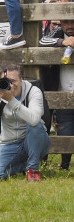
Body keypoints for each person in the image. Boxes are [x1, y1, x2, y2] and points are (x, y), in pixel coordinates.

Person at [0, 64, 50, 181]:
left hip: (34, 141)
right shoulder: (0, 94)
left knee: (34, 124)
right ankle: (23, 167)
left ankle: (33, 169)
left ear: (21, 79)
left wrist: (11, 100)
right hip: (10, 144)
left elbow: (34, 119)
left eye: (13, 81)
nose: (10, 85)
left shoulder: (33, 91)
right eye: (6, 81)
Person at [43, 16, 74, 169]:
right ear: (60, 23)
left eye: (73, 22)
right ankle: (65, 165)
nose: (70, 25)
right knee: (65, 129)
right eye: (66, 22)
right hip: (61, 93)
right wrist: (62, 42)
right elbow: (41, 41)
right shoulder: (56, 34)